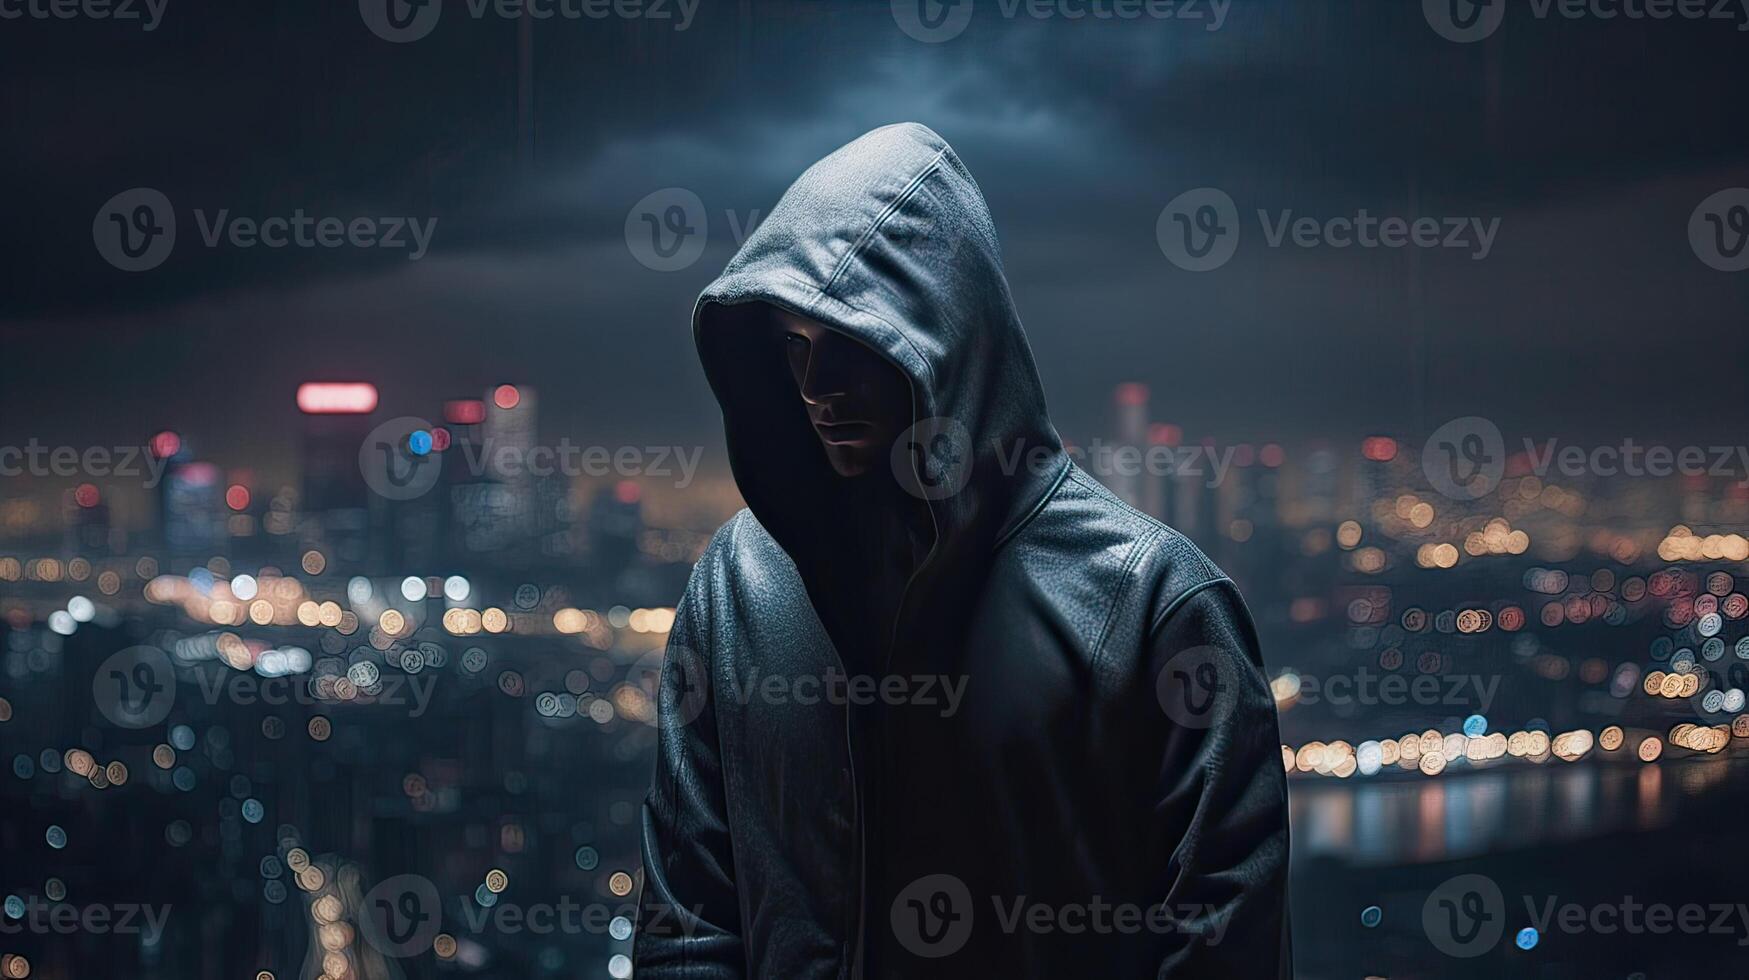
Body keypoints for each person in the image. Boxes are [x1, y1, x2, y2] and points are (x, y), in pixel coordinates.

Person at [635, 122, 1291, 978]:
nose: (815, 388)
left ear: (951, 338)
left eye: (852, 345)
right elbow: (688, 919)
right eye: (793, 346)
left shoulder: (1154, 608)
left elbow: (1220, 948)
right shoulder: (739, 582)